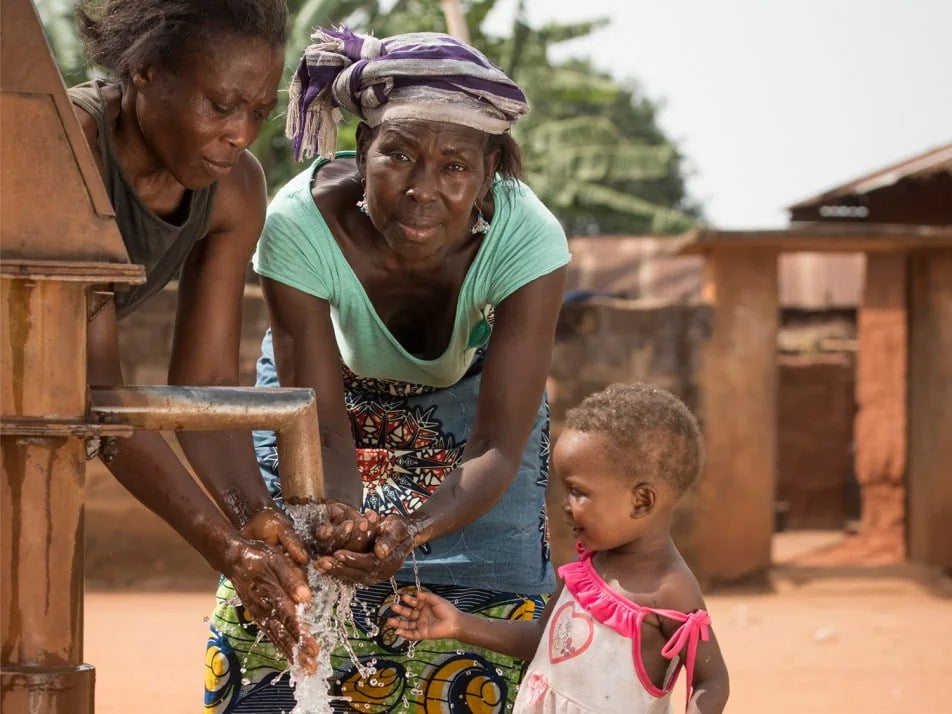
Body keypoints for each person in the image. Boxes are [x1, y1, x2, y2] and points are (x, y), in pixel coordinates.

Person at [205, 27, 570, 713]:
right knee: (293, 583)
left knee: (481, 621)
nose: (422, 191)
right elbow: (323, 430)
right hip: (323, 396)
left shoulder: (527, 239)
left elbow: (496, 446)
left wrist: (411, 529)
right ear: (362, 146)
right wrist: (339, 516)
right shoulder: (301, 225)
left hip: (471, 410)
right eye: (398, 155)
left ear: (490, 172)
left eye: (455, 167)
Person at [68, 0, 344, 670]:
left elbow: (206, 389)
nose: (240, 133)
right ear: (145, 71)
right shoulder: (69, 149)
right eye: (219, 106)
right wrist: (225, 549)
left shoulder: (234, 190)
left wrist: (256, 520)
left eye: (257, 112)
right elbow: (96, 394)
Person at [389, 384, 730, 714]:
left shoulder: (670, 590)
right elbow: (543, 638)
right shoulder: (587, 569)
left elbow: (711, 679)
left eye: (578, 492)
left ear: (641, 501)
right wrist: (459, 624)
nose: (566, 505)